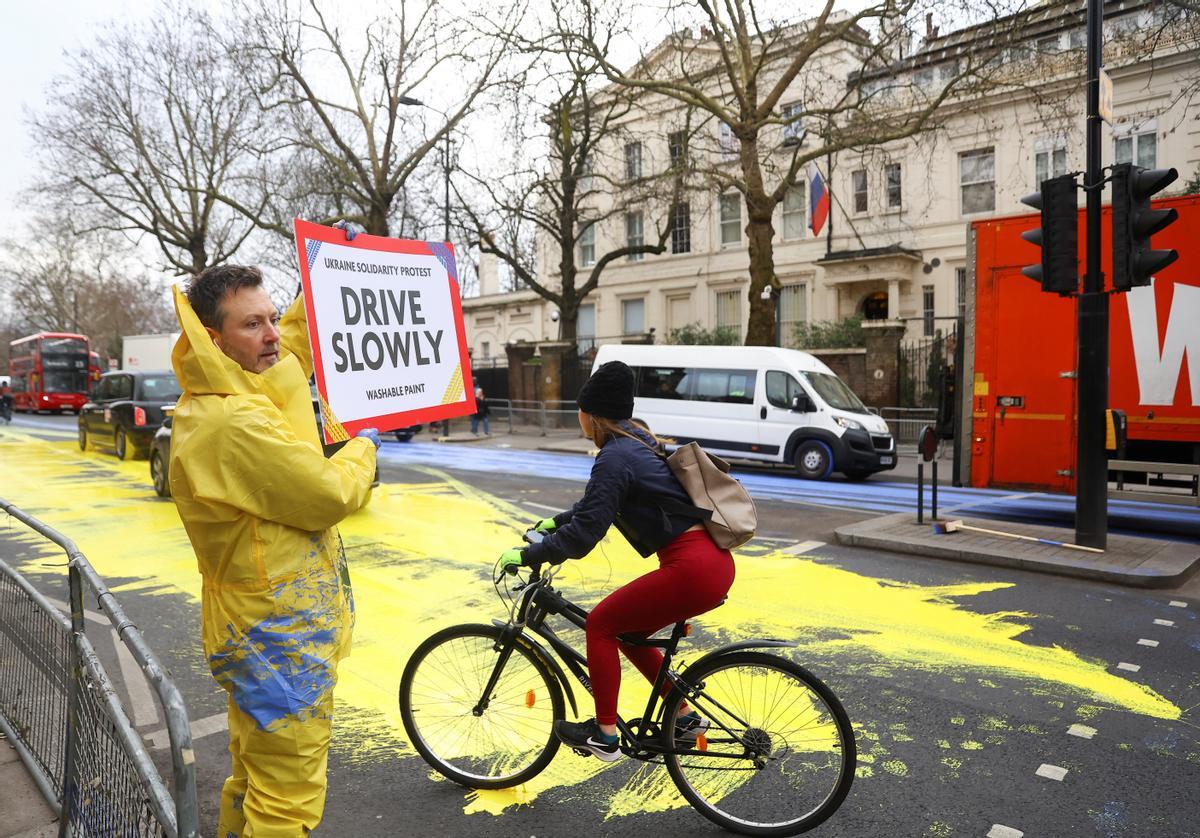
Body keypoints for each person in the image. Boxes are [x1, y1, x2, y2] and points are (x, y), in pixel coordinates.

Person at [169, 260, 379, 837]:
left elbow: (293, 350)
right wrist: (363, 448)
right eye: (251, 325)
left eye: (271, 318)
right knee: (287, 799)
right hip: (277, 640)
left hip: (266, 633)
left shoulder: (236, 384)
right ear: (214, 338)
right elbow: (329, 493)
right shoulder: (232, 419)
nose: (271, 337)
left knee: (256, 776)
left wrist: (331, 272)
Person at [499, 361, 735, 761]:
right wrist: (556, 520)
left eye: (580, 411)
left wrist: (528, 553)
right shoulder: (637, 441)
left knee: (601, 624)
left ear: (590, 415)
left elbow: (585, 536)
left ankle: (605, 735)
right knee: (630, 633)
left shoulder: (615, 456)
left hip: (692, 569)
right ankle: (683, 717)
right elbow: (595, 506)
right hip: (711, 562)